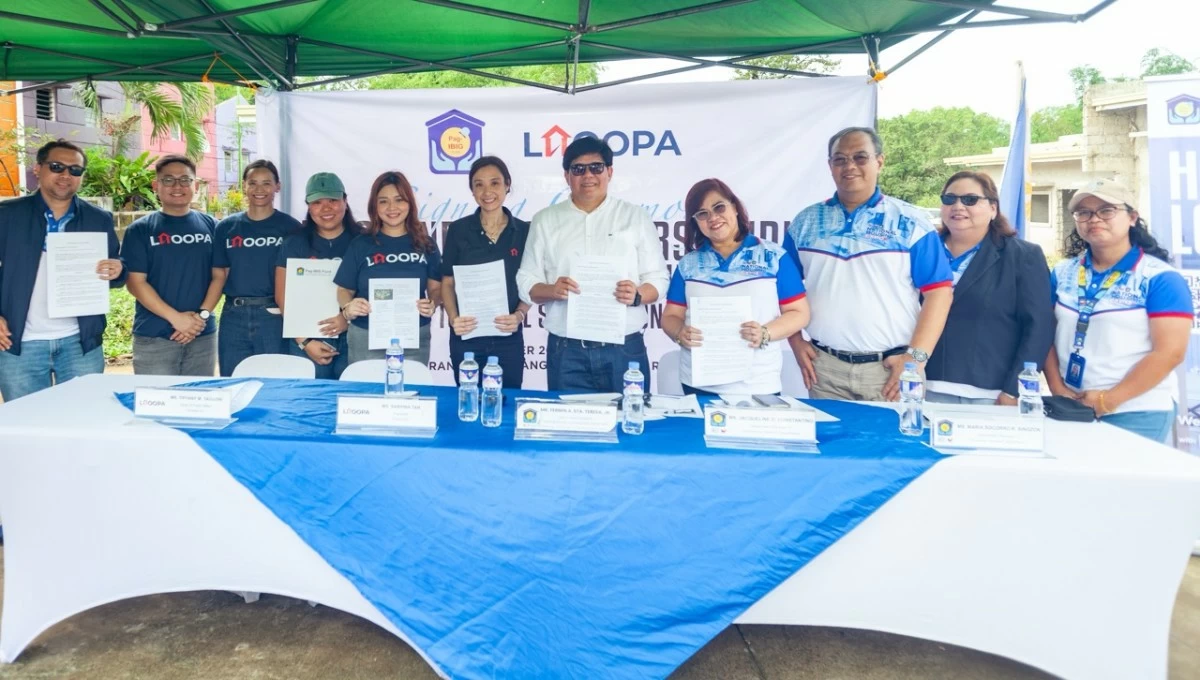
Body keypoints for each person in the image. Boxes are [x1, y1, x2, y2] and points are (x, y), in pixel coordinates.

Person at [783, 127, 953, 401]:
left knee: (895, 444)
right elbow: (784, 293)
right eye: (840, 159)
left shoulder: (911, 223)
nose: (849, 166)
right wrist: (795, 341)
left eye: (860, 157)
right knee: (831, 445)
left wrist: (916, 359)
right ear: (830, 166)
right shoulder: (805, 223)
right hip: (825, 371)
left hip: (892, 371)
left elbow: (939, 293)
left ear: (880, 162)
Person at [516, 136, 669, 392]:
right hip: (567, 352)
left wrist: (637, 295)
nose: (588, 175)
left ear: (609, 171)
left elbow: (659, 279)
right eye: (578, 169)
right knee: (569, 429)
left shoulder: (635, 217)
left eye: (596, 167)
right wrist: (551, 290)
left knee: (628, 426)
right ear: (567, 176)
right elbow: (525, 280)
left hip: (624, 348)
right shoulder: (545, 220)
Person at [1044, 180, 1192, 444]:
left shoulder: (1159, 278)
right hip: (1072, 406)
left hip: (1136, 410)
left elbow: (1170, 353)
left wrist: (1107, 400)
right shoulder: (1062, 272)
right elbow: (1044, 332)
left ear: (1132, 217)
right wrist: (1057, 388)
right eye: (1084, 212)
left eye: (1107, 210)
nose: (1094, 219)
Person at [0, 139, 124, 401]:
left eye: (75, 170)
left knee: (84, 418)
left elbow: (117, 271)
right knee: (28, 423)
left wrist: (117, 269)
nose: (66, 175)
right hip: (19, 343)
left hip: (80, 342)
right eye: (57, 166)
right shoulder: (7, 215)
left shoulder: (98, 219)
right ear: (38, 169)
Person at [660, 179, 810, 395]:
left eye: (719, 207)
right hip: (699, 384)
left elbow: (800, 313)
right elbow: (670, 316)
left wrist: (765, 333)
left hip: (758, 385)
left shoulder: (773, 256)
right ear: (696, 223)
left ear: (735, 208)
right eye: (702, 214)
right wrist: (679, 333)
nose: (713, 218)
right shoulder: (688, 265)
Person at [924, 171, 1056, 405]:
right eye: (949, 199)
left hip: (988, 395)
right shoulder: (922, 251)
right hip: (921, 387)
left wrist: (1016, 390)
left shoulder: (1023, 256)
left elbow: (1039, 328)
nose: (958, 206)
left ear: (993, 208)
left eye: (970, 200)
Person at [121, 154, 221, 376]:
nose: (177, 186)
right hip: (154, 336)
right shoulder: (140, 230)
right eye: (168, 180)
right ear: (156, 186)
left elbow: (220, 276)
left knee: (200, 402)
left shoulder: (213, 226)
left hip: (202, 335)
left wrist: (199, 319)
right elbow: (136, 283)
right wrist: (177, 319)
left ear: (195, 185)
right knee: (155, 404)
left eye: (185, 179)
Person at [441, 156, 530, 388]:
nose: (487, 191)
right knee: (467, 402)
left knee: (507, 404)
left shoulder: (524, 231)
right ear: (472, 190)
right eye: (478, 184)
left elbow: (533, 282)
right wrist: (453, 319)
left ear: (507, 184)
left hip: (508, 337)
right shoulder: (458, 230)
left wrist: (520, 315)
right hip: (466, 336)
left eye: (495, 183)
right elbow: (447, 282)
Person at [335, 171, 442, 365]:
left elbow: (436, 288)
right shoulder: (360, 244)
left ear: (409, 203)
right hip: (365, 336)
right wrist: (347, 306)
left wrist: (432, 303)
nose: (392, 208)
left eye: (399, 200)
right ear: (375, 206)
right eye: (383, 201)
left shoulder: (426, 244)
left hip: (413, 337)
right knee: (367, 394)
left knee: (411, 392)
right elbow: (344, 289)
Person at [210, 159, 301, 376]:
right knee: (232, 380)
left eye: (267, 183)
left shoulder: (291, 227)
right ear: (244, 186)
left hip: (274, 315)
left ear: (277, 186)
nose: (259, 189)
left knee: (275, 381)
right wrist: (205, 312)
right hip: (234, 314)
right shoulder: (226, 228)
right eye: (253, 183)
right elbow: (219, 274)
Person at [275, 172, 364, 380]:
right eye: (317, 202)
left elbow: (371, 291)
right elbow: (282, 297)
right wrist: (304, 341)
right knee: (309, 405)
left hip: (356, 336)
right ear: (308, 205)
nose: (326, 208)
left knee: (353, 405)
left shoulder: (363, 240)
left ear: (345, 200)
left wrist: (346, 319)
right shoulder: (294, 243)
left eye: (333, 200)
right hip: (308, 341)